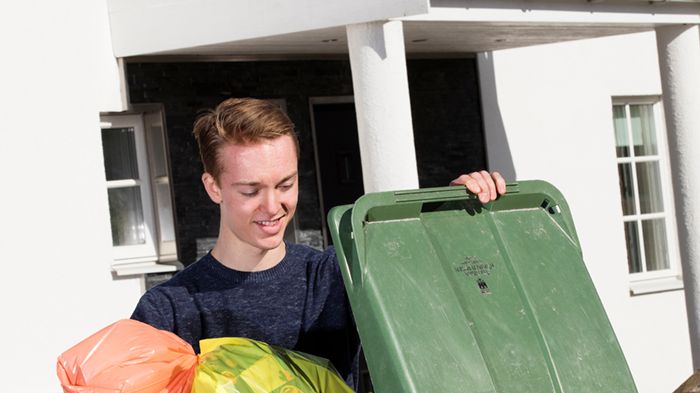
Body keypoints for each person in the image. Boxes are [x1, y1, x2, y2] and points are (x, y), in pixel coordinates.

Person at [131, 98, 506, 390]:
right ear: (213, 187)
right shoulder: (169, 311)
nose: (272, 206)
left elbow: (442, 301)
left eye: (285, 185)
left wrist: (455, 217)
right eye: (250, 190)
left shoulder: (336, 277)